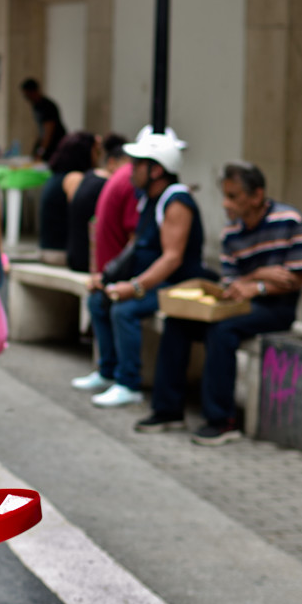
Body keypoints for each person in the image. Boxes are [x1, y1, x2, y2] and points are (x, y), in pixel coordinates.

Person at [137, 162, 302, 445]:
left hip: (277, 308)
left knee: (222, 331)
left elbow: (296, 279)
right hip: (238, 302)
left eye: (233, 196)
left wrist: (254, 286)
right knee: (177, 322)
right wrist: (259, 275)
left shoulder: (289, 220)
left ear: (256, 196)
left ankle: (222, 420)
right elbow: (231, 284)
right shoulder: (231, 232)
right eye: (225, 195)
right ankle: (167, 410)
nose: (225, 203)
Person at [72, 128, 206, 408]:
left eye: (137, 164)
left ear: (156, 170)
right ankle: (107, 371)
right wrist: (107, 277)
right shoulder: (147, 198)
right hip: (151, 281)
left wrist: (135, 288)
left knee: (124, 310)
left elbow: (172, 259)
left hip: (177, 284)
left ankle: (128, 383)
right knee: (98, 300)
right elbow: (136, 246)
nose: (131, 169)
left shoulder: (176, 201)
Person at [64, 133, 122, 273]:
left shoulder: (86, 177)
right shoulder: (108, 185)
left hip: (72, 255)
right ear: (112, 162)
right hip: (89, 262)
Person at [38, 131, 96, 265]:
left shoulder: (56, 176)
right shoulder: (74, 178)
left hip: (48, 249)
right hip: (59, 252)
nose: (98, 156)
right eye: (96, 151)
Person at [91, 133, 139, 276]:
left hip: (105, 269)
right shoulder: (132, 179)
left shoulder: (121, 175)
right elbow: (135, 240)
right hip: (116, 276)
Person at [20, 78, 66, 162]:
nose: (26, 99)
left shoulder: (47, 106)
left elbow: (49, 131)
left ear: (33, 92)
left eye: (27, 95)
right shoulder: (36, 106)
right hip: (47, 143)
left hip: (55, 144)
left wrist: (41, 151)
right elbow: (41, 131)